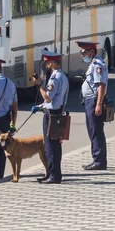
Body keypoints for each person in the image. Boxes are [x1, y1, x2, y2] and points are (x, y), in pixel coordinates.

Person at [31, 51, 69, 184]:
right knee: (54, 146)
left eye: (47, 62)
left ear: (52, 63)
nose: (46, 64)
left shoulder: (54, 78)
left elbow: (48, 96)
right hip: (57, 112)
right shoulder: (62, 76)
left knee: (50, 147)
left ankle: (54, 175)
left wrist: (39, 85)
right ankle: (52, 173)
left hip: (52, 116)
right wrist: (41, 106)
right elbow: (54, 99)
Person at [77, 41, 108, 171]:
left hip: (94, 101)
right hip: (90, 101)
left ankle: (99, 161)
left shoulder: (97, 65)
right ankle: (96, 159)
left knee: (96, 131)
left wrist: (98, 105)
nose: (82, 54)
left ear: (91, 51)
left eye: (83, 52)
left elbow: (101, 85)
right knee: (92, 131)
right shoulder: (93, 63)